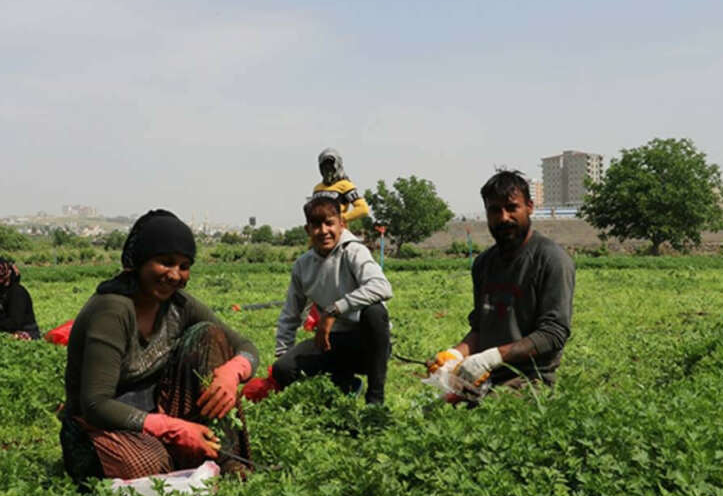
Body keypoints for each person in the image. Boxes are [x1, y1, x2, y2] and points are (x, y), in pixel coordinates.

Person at [60, 210, 258, 483]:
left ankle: (227, 461)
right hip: (100, 427)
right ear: (140, 262)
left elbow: (244, 345)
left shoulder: (180, 305)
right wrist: (172, 429)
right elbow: (95, 404)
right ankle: (184, 459)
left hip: (157, 415)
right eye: (164, 263)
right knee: (149, 465)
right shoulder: (113, 310)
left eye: (184, 265)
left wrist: (234, 370)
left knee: (210, 335)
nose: (175, 275)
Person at [428, 170, 575, 402]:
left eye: (511, 207)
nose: (504, 217)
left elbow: (554, 333)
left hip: (529, 378)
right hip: (483, 376)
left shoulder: (551, 259)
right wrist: (455, 355)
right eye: (495, 210)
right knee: (432, 415)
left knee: (482, 420)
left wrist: (492, 357)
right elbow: (481, 328)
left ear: (529, 206)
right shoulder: (484, 263)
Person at [244, 196, 393, 405]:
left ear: (341, 224)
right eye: (316, 225)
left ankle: (375, 400)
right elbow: (290, 314)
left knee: (375, 312)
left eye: (329, 223)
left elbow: (382, 287)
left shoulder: (353, 251)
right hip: (330, 341)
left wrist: (334, 310)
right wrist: (283, 355)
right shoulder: (303, 265)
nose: (323, 231)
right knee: (283, 370)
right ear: (308, 230)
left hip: (367, 344)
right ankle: (346, 383)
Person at [311, 148, 370, 224]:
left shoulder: (345, 185)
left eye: (331, 165)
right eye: (325, 165)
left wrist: (341, 218)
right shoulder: (317, 188)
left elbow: (363, 208)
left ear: (337, 166)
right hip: (319, 231)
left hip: (339, 231)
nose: (328, 168)